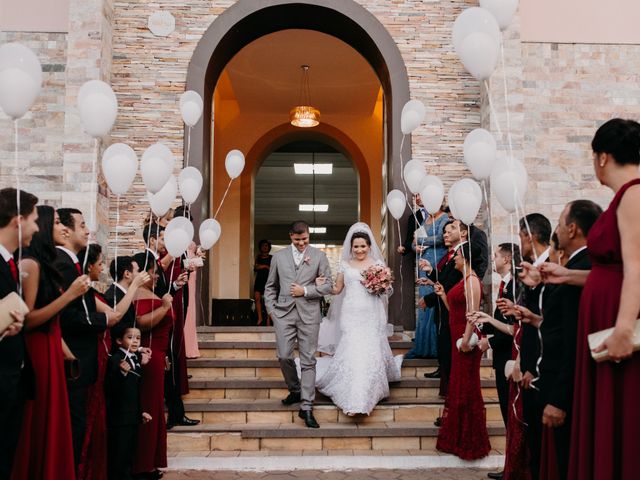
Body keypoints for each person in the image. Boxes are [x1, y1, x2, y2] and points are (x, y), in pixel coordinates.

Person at [552, 119, 640, 480]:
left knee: (619, 418)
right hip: (604, 316)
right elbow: (613, 271)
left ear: (602, 157)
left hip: (616, 324)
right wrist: (566, 275)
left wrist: (622, 329)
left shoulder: (634, 194)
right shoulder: (624, 197)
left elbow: (636, 268)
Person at [517, 200, 602, 479]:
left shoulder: (585, 265)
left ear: (573, 228)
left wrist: (559, 398)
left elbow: (572, 339)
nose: (557, 230)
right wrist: (535, 318)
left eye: (561, 222)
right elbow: (556, 326)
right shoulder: (579, 267)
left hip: (562, 384)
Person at [12, 206, 88, 480]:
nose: (63, 228)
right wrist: (69, 296)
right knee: (42, 421)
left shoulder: (46, 264)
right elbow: (29, 319)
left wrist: (66, 352)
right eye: (56, 222)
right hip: (38, 349)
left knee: (56, 422)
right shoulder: (30, 265)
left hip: (52, 347)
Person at [314, 223, 402, 415]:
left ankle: (365, 397)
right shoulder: (345, 265)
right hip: (351, 313)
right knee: (352, 351)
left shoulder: (378, 266)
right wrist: (322, 284)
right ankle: (351, 396)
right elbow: (337, 290)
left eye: (363, 246)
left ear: (370, 246)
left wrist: (381, 286)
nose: (359, 250)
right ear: (351, 247)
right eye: (356, 246)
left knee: (368, 353)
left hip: (371, 313)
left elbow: (387, 290)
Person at [55, 208, 111, 469]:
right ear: (65, 231)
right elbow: (70, 316)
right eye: (82, 224)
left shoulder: (72, 264)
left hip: (82, 361)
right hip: (73, 360)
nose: (88, 229)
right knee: (72, 427)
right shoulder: (63, 265)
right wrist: (103, 322)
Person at [264, 220, 333, 429]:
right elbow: (270, 286)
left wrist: (306, 291)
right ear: (290, 237)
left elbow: (328, 284)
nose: (302, 244)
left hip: (309, 313)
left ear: (309, 236)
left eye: (305, 240)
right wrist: (271, 310)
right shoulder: (278, 256)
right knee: (284, 355)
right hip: (283, 314)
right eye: (297, 240)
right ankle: (295, 389)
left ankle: (307, 405)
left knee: (308, 360)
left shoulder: (319, 256)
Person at [435, 241, 491, 460]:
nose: (454, 258)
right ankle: (457, 437)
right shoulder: (463, 280)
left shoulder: (472, 281)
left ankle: (470, 440)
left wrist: (466, 341)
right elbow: (455, 310)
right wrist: (442, 295)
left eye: (457, 255)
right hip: (456, 335)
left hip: (464, 340)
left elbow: (473, 314)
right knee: (458, 387)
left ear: (465, 257)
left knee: (467, 388)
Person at [0, 188, 38, 479]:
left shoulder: (10, 263)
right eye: (34, 219)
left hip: (11, 378)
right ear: (18, 220)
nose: (37, 227)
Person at [480, 243, 521, 480]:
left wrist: (489, 335)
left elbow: (513, 329)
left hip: (511, 358)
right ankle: (510, 466)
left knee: (512, 414)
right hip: (502, 357)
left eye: (495, 255)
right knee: (508, 415)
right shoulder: (505, 284)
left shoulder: (514, 287)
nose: (492, 259)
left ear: (506, 259)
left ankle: (513, 468)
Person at [131, 252, 174, 479]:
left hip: (157, 356)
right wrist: (165, 307)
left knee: (155, 408)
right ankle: (142, 464)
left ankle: (149, 462)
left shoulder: (148, 293)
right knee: (148, 407)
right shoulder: (140, 294)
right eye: (153, 271)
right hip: (149, 357)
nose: (156, 276)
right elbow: (141, 324)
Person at [419, 219, 466, 399]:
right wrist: (431, 272)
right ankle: (448, 398)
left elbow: (451, 283)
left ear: (463, 233)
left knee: (450, 355)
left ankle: (451, 399)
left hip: (453, 310)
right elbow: (443, 279)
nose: (445, 234)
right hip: (444, 307)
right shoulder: (450, 255)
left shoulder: (463, 254)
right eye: (444, 231)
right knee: (445, 353)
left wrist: (430, 298)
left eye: (450, 230)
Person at [106, 325, 152, 480]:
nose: (135, 341)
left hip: (132, 415)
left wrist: (140, 411)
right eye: (130, 337)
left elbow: (135, 390)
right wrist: (121, 373)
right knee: (119, 455)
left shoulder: (135, 359)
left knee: (129, 453)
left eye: (138, 338)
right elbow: (109, 388)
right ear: (119, 340)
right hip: (119, 417)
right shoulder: (115, 359)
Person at [405, 202, 449, 359]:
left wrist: (422, 240)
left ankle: (434, 348)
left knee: (434, 305)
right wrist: (414, 246)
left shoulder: (444, 218)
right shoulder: (426, 220)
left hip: (436, 263)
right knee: (424, 306)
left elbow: (442, 238)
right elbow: (414, 241)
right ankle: (423, 347)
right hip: (423, 266)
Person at [253, 239, 273, 326]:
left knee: (267, 301)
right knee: (257, 298)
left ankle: (268, 319)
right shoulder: (258, 257)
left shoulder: (272, 257)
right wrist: (265, 266)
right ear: (260, 247)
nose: (264, 247)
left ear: (269, 247)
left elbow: (272, 269)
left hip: (268, 280)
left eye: (266, 246)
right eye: (263, 246)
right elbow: (256, 267)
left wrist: (263, 267)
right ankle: (260, 318)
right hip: (259, 280)